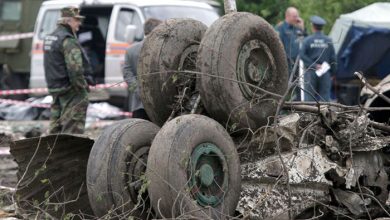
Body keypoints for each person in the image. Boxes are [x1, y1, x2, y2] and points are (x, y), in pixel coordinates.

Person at [43, 6, 91, 134]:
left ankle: (53, 153)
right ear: (68, 21)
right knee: (73, 128)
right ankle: (71, 153)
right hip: (70, 90)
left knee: (55, 128)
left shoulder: (50, 37)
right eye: (77, 20)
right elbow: (75, 69)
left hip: (56, 88)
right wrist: (82, 87)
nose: (79, 24)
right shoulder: (68, 40)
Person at [123, 18, 162, 120]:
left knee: (139, 133)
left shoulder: (130, 50)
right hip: (160, 105)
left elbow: (127, 74)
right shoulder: (162, 51)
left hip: (138, 104)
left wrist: (137, 91)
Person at [300, 15, 337, 102]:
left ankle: (308, 115)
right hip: (325, 72)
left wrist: (314, 65)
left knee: (309, 98)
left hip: (311, 71)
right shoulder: (328, 40)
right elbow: (333, 58)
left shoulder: (307, 40)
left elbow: (302, 55)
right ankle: (324, 115)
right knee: (325, 99)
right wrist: (332, 73)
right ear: (322, 27)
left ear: (312, 26)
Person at [276, 7, 306, 100]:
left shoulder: (298, 28)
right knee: (283, 87)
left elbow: (305, 42)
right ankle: (280, 109)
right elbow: (276, 44)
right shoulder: (280, 28)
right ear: (287, 16)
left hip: (298, 64)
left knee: (300, 87)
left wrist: (303, 28)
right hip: (285, 63)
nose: (297, 18)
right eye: (294, 16)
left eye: (297, 16)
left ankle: (299, 108)